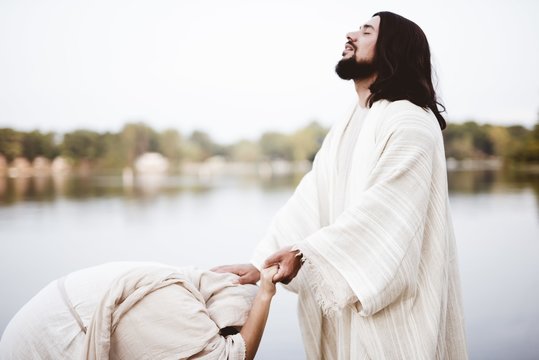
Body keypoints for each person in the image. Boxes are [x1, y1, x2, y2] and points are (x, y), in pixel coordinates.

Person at [213, 11, 469, 359]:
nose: (351, 34)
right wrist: (262, 265)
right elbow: (310, 200)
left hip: (396, 319)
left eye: (366, 31)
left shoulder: (410, 120)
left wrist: (307, 253)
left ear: (392, 48)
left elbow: (387, 213)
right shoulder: (350, 122)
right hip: (347, 321)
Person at [0, 261, 278, 360]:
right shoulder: (177, 304)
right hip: (50, 338)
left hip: (42, 319)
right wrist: (265, 294)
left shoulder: (186, 281)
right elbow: (231, 359)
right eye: (230, 331)